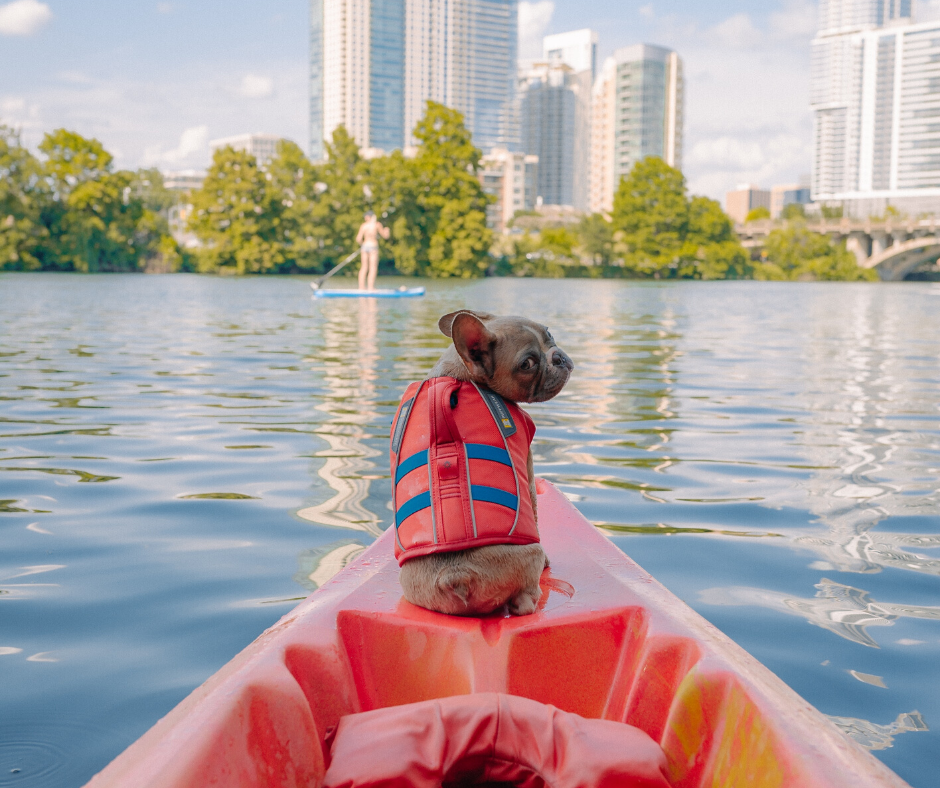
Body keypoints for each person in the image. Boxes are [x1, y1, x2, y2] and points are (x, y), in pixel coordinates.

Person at [355, 211, 391, 291]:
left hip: (364, 247)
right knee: (373, 267)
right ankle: (370, 288)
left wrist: (363, 245)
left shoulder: (364, 226)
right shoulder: (377, 225)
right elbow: (385, 236)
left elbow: (358, 239)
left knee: (364, 267)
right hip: (373, 247)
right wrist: (387, 230)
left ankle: (361, 288)